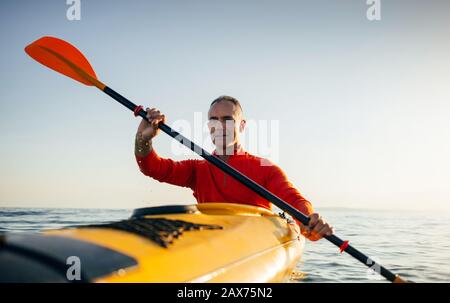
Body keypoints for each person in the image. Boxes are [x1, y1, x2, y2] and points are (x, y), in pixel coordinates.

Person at [135, 95, 334, 241]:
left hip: (255, 244)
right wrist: (143, 138)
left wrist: (308, 221)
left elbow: (295, 201)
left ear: (242, 125)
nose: (220, 126)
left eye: (228, 120)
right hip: (212, 241)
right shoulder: (197, 169)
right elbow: (152, 167)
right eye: (214, 120)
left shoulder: (265, 168)